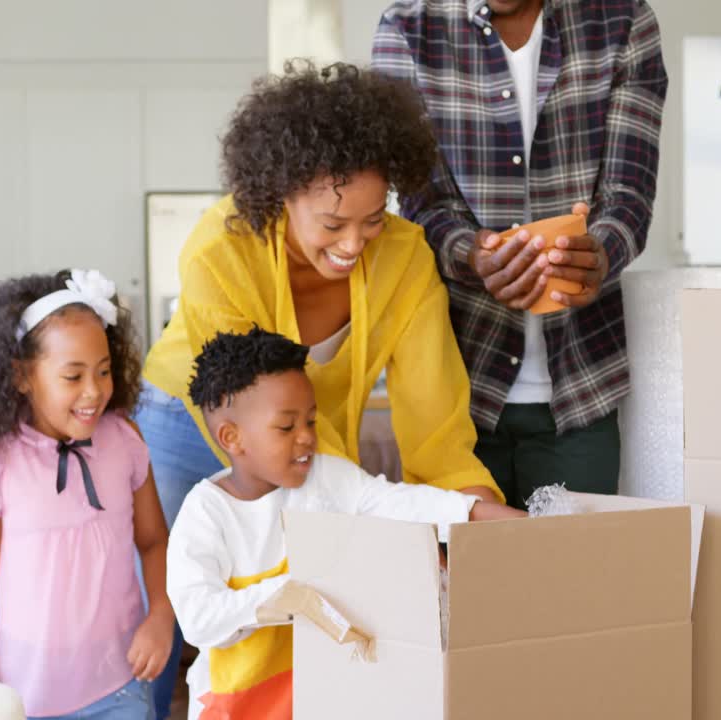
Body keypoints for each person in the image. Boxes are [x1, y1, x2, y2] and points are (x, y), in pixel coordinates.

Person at [135, 61, 506, 715]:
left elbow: (436, 419)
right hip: (193, 417)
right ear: (281, 193)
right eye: (333, 223)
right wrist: (383, 521)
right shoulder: (219, 250)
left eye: (373, 218)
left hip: (303, 435)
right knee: (175, 608)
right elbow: (250, 401)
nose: (354, 243)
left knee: (307, 600)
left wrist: (471, 521)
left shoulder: (406, 257)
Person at [372, 0, 669, 508]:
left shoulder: (623, 21)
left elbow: (629, 196)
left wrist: (600, 254)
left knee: (576, 559)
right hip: (455, 387)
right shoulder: (407, 28)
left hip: (582, 385)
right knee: (464, 560)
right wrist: (473, 255)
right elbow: (420, 205)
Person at [166, 327, 524, 720]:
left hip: (316, 701)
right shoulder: (206, 514)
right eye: (286, 427)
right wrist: (284, 595)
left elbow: (400, 504)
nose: (306, 438)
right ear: (232, 437)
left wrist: (488, 516)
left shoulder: (326, 478)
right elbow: (198, 619)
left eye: (311, 421)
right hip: (234, 707)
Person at [0, 269, 174, 720]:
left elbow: (154, 541)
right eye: (73, 376)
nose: (94, 391)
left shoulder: (125, 440)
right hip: (26, 701)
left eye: (104, 371)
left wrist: (161, 612)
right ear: (23, 376)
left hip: (119, 689)